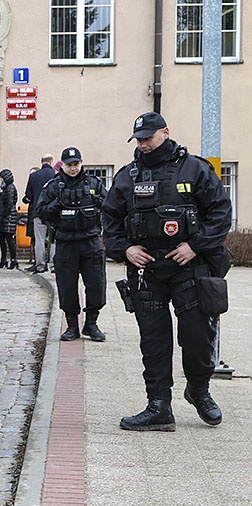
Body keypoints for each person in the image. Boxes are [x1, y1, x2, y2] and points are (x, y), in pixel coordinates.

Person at [102, 111, 232, 432]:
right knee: (155, 341)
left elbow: (220, 212)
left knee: (198, 336)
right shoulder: (126, 177)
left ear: (165, 132)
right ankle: (159, 405)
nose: (144, 144)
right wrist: (125, 250)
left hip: (189, 266)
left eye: (149, 137)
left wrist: (196, 245)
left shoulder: (195, 168)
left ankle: (199, 391)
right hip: (148, 271)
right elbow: (110, 222)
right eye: (139, 139)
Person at [36, 147, 107, 342]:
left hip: (91, 241)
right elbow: (40, 212)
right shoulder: (53, 186)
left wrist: (97, 201)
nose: (73, 168)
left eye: (76, 164)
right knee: (67, 286)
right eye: (69, 165)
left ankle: (91, 324)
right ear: (62, 165)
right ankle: (72, 326)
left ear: (81, 163)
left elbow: (110, 207)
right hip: (66, 243)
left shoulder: (94, 183)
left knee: (96, 284)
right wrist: (56, 205)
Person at [23, 154, 57, 273]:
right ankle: (53, 265)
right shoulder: (56, 175)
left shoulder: (33, 176)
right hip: (53, 211)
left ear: (41, 162)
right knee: (54, 239)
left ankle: (40, 265)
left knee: (39, 240)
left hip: (38, 211)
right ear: (51, 162)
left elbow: (29, 195)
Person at [0, 169, 20, 270]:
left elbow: (9, 203)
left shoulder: (10, 188)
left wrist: (5, 214)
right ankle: (4, 259)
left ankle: (13, 259)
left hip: (9, 216)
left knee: (9, 238)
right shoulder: (7, 188)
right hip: (7, 215)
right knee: (2, 237)